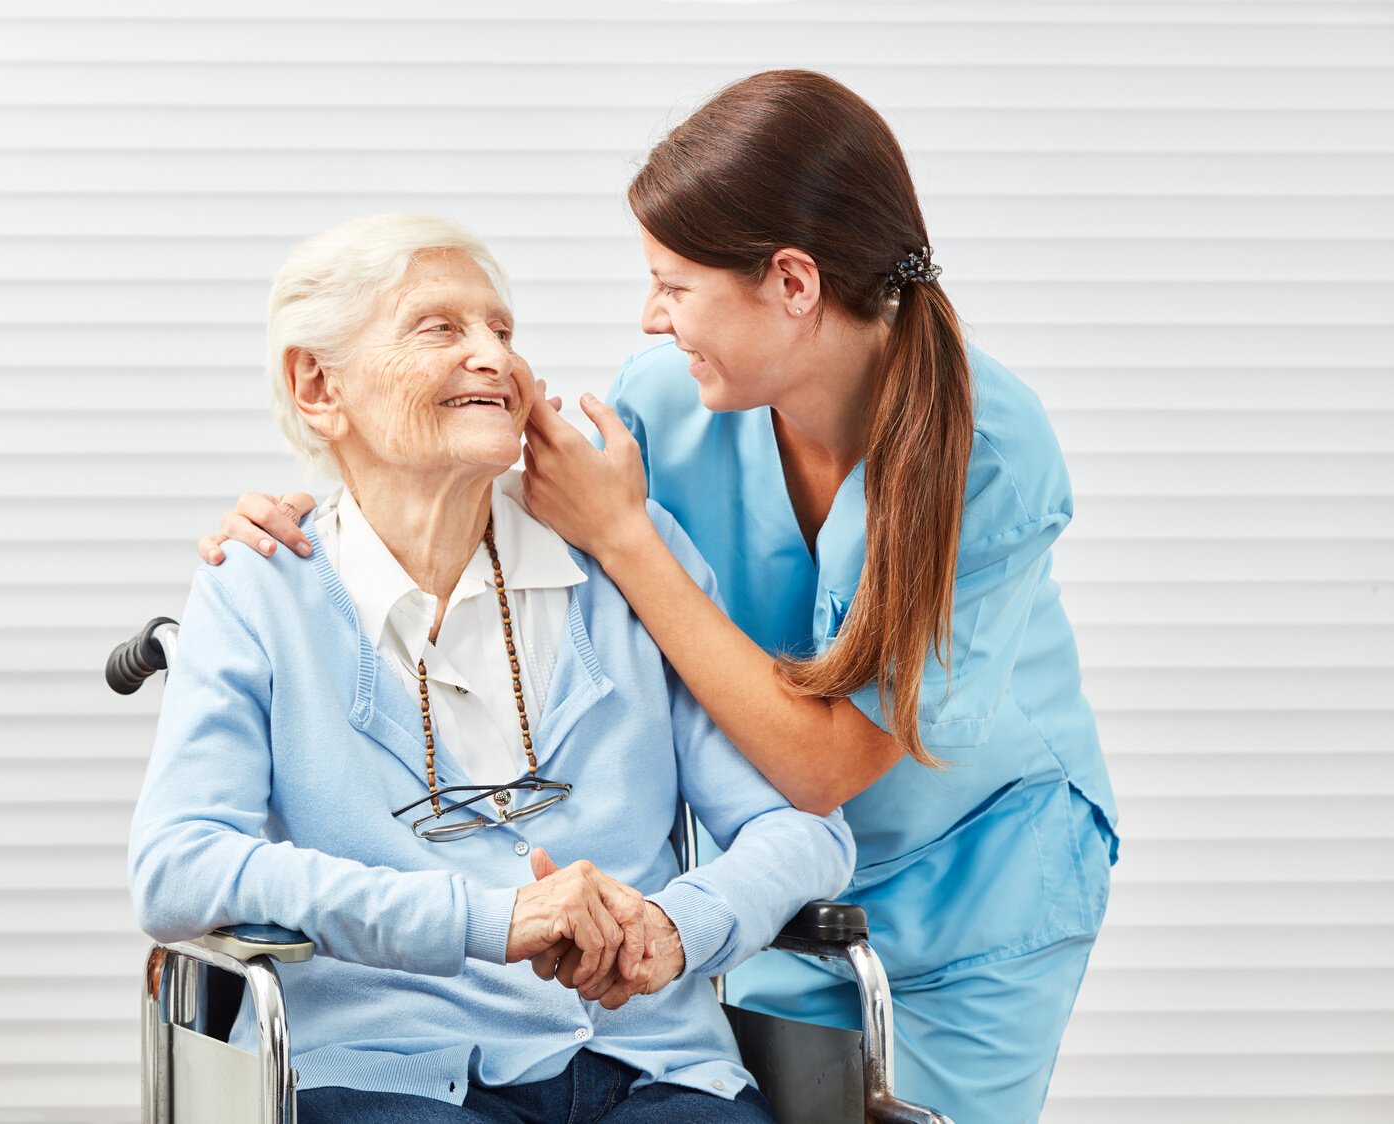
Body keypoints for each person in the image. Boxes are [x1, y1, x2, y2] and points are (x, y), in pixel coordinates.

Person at [196, 71, 1119, 1124]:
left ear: (791, 283)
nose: (647, 315)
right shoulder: (665, 403)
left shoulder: (986, 451)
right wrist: (304, 512)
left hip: (974, 879)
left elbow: (820, 767)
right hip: (771, 889)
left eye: (672, 283)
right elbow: (452, 471)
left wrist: (624, 536)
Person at [130, 211, 855, 1124]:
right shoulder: (261, 589)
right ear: (319, 385)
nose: (494, 358)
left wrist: (681, 928)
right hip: (384, 1067)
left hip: (651, 1060)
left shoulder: (622, 559)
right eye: (440, 327)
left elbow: (803, 828)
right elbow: (176, 865)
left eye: (503, 332)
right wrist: (485, 920)